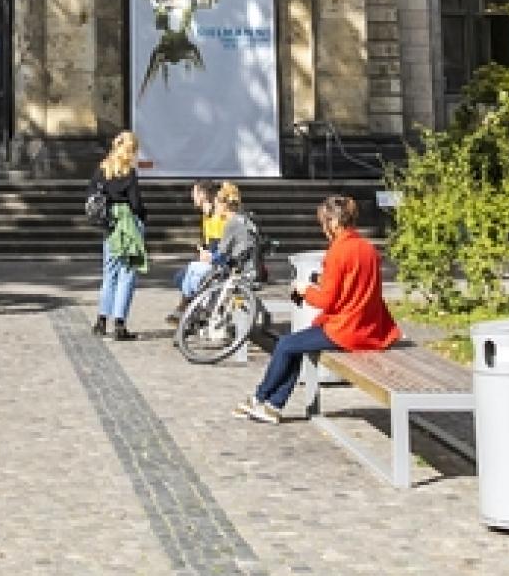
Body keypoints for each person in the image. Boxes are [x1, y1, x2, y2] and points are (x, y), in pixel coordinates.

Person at [237, 193, 398, 423]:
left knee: (285, 344)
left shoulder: (337, 252)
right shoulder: (368, 249)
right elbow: (357, 287)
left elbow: (326, 301)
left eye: (324, 222)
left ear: (334, 222)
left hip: (346, 329)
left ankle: (260, 397)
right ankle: (272, 405)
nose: (323, 228)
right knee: (294, 344)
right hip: (367, 324)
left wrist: (304, 290)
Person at [90, 131, 151, 339]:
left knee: (109, 274)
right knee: (127, 274)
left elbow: (92, 195)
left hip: (109, 223)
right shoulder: (129, 172)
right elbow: (135, 203)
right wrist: (143, 217)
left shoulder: (102, 169)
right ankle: (119, 324)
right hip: (127, 222)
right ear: (130, 150)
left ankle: (101, 320)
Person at [168, 179, 226, 325]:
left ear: (203, 195)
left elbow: (223, 244)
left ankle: (186, 311)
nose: (192, 196)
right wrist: (204, 250)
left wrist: (209, 254)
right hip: (212, 258)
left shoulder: (218, 215)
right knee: (180, 276)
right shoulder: (206, 214)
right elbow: (208, 241)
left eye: (194, 193)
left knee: (191, 276)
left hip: (221, 261)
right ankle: (188, 310)